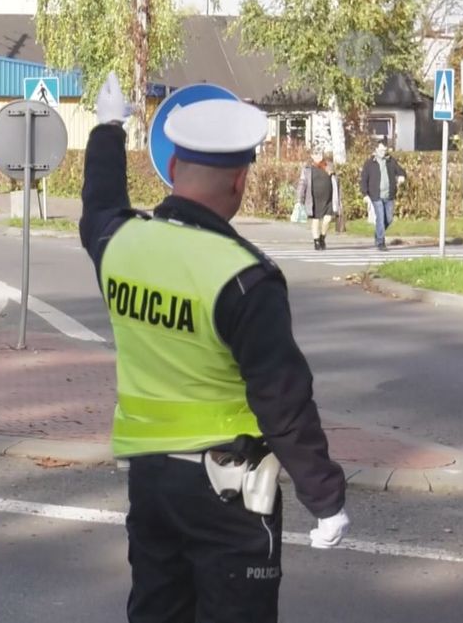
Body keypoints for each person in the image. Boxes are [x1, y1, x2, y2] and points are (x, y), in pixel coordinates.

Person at [81, 72, 349, 623]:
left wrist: (108, 127)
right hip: (230, 493)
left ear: (173, 168)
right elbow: (282, 400)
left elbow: (99, 202)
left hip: (150, 484)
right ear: (240, 182)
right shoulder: (246, 277)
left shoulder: (120, 243)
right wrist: (325, 499)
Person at [359, 141, 407, 251]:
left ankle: (378, 234)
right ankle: (381, 242)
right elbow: (364, 179)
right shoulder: (370, 163)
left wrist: (401, 176)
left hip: (389, 195)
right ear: (376, 150)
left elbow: (401, 171)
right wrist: (365, 194)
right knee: (380, 218)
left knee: (388, 219)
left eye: (385, 150)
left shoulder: (390, 161)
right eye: (381, 150)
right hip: (376, 195)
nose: (383, 152)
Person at [297, 149, 337, 250]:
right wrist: (300, 199)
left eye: (319, 154)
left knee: (327, 219)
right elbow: (302, 184)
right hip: (314, 198)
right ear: (312, 156)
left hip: (328, 198)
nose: (318, 156)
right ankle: (316, 242)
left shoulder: (328, 166)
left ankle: (322, 237)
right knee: (316, 220)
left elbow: (336, 181)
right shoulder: (307, 168)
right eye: (315, 154)